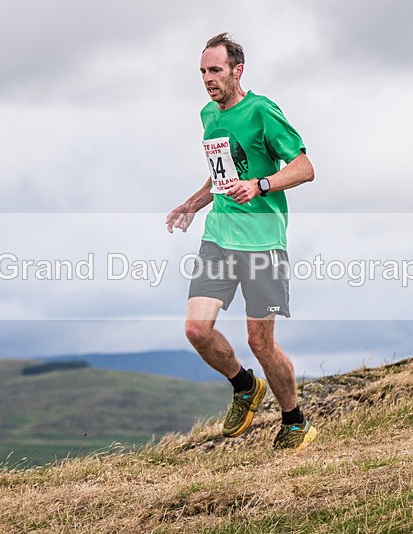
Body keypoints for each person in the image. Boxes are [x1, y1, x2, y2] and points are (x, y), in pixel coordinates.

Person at [166, 33, 316, 450]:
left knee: (259, 341)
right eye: (202, 72)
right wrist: (194, 204)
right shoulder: (208, 116)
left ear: (237, 70)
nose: (208, 79)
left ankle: (295, 420)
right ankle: (245, 386)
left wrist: (260, 184)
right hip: (220, 235)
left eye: (215, 70)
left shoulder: (262, 110)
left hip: (263, 241)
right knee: (197, 330)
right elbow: (221, 174)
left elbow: (304, 168)